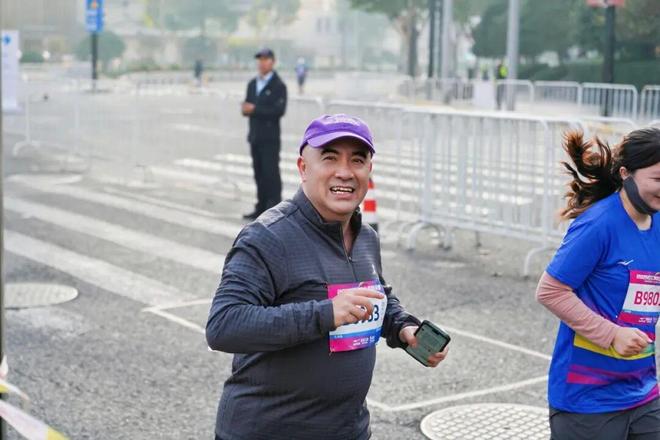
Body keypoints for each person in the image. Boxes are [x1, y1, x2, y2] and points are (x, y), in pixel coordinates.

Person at [206, 114, 449, 440]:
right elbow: (224, 326)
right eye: (330, 158)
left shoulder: (366, 237)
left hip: (348, 430)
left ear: (369, 170)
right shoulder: (268, 237)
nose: (345, 172)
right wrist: (326, 313)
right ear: (303, 168)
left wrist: (402, 327)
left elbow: (375, 295)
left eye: (357, 160)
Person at [536, 128, 660, 440]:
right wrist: (612, 334)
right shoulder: (598, 224)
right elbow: (550, 291)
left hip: (643, 390)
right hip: (587, 399)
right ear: (625, 174)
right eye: (658, 179)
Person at [241, 48, 287, 220]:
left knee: (271, 174)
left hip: (270, 138)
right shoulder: (252, 84)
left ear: (272, 62)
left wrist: (255, 109)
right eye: (259, 59)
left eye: (265, 59)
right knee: (258, 173)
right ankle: (260, 207)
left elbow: (278, 110)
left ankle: (274, 210)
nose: (262, 63)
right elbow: (247, 106)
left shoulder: (278, 85)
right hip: (255, 136)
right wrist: (246, 109)